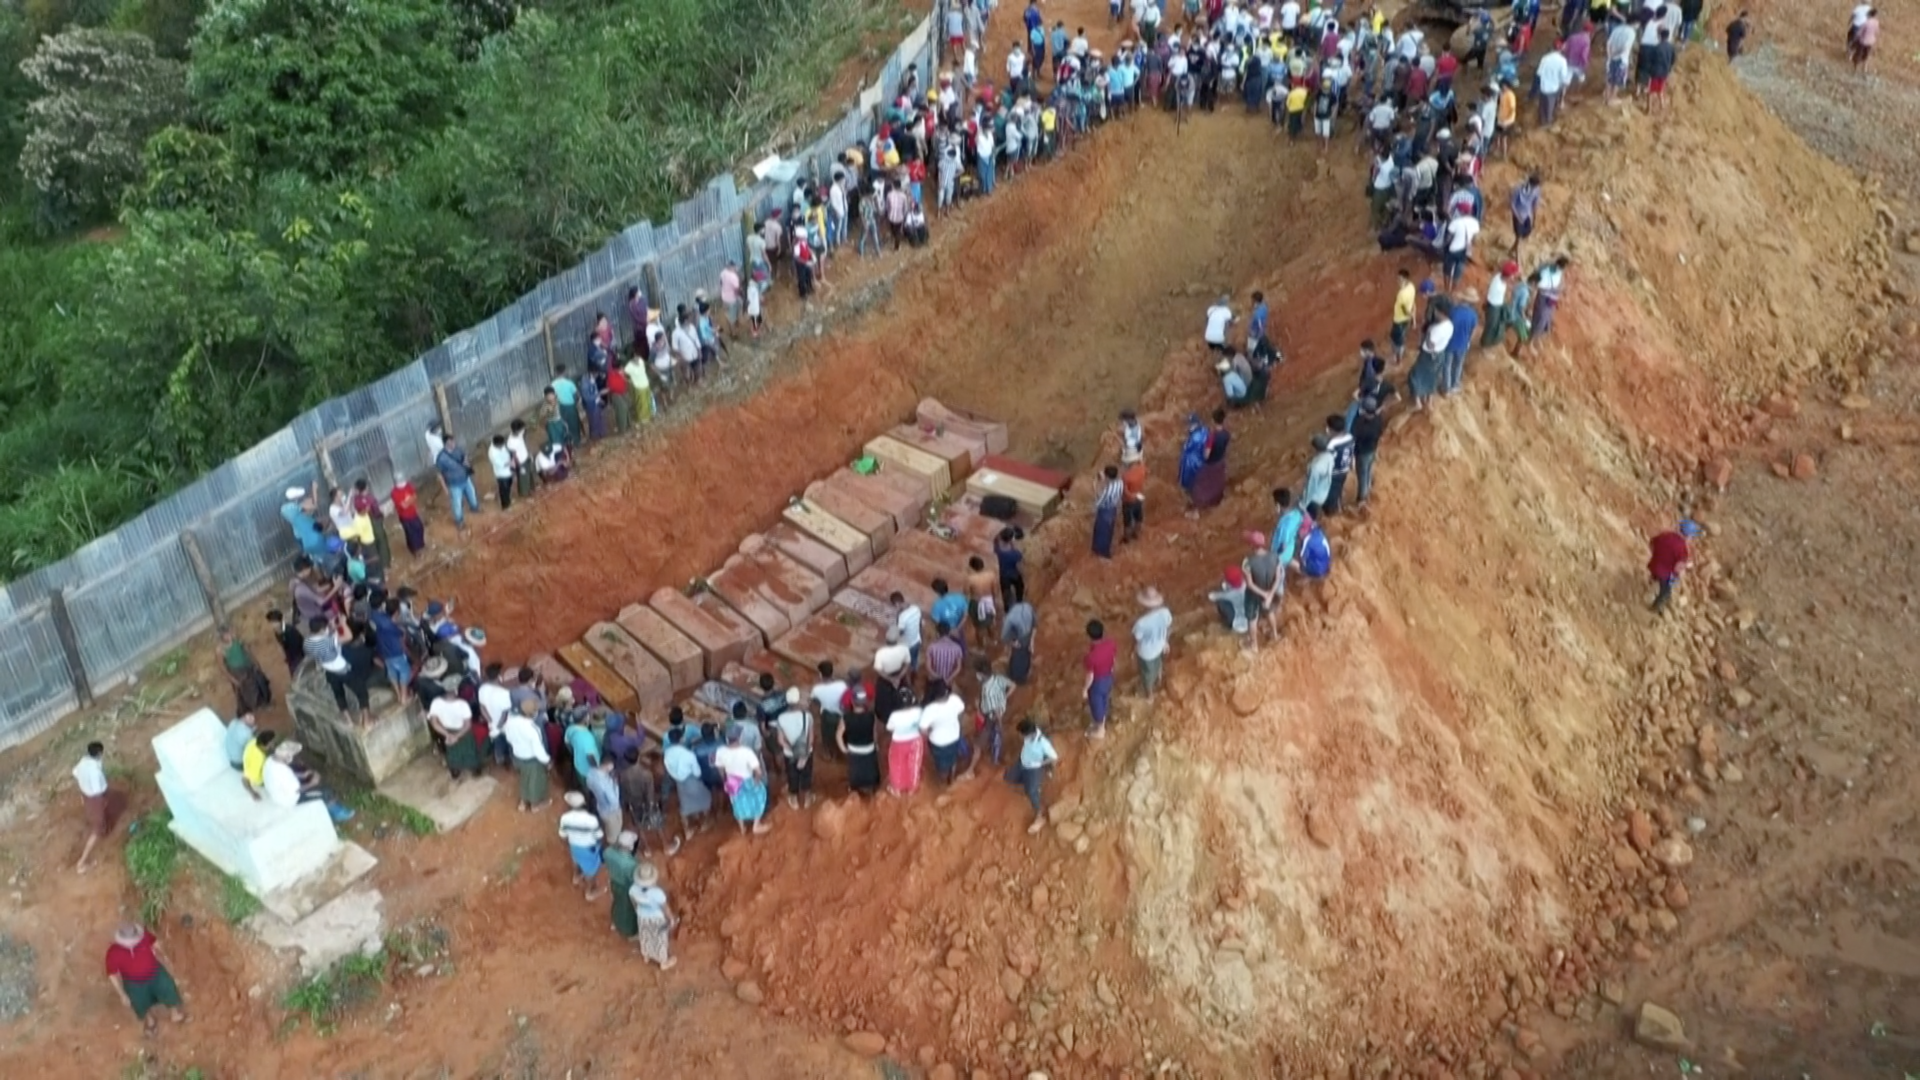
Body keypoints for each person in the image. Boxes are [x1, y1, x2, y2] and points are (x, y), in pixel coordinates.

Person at [105, 922, 187, 1036]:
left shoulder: (144, 937)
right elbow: (112, 974)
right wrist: (122, 994)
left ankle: (175, 1013)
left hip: (155, 972)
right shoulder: (113, 953)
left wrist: (164, 955)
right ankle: (150, 1020)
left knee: (168, 988)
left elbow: (155, 943)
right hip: (134, 982)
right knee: (139, 1003)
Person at [1006, 718, 1059, 834]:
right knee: (1009, 777)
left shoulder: (1042, 743)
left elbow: (1054, 757)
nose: (1020, 737)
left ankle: (1040, 815)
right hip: (1022, 762)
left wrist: (1042, 764)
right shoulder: (1031, 734)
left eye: (1021, 734)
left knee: (1031, 792)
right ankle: (1030, 785)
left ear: (1027, 734)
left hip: (1033, 768)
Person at [715, 725, 771, 835]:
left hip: (732, 781)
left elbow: (720, 769)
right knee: (760, 795)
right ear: (739, 738)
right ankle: (756, 825)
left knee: (736, 803)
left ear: (727, 738)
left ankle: (742, 828)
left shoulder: (720, 751)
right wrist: (756, 781)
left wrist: (725, 779)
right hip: (747, 780)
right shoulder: (746, 752)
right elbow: (758, 771)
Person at [663, 722, 713, 839]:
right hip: (691, 780)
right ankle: (704, 823)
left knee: (685, 806)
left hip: (679, 783)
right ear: (682, 739)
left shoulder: (667, 754)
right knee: (706, 799)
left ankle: (688, 830)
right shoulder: (688, 754)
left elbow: (669, 769)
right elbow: (697, 772)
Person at [504, 697, 552, 811]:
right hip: (532, 758)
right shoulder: (531, 728)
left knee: (524, 778)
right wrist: (547, 761)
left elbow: (509, 739)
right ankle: (535, 805)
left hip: (517, 755)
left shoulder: (510, 722)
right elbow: (538, 749)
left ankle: (523, 802)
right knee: (536, 781)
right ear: (533, 713)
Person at [629, 860, 678, 969]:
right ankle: (663, 962)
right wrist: (671, 919)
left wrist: (638, 911)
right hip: (656, 919)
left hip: (642, 917)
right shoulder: (657, 893)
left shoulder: (633, 889)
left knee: (645, 935)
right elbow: (665, 908)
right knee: (659, 939)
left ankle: (646, 955)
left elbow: (634, 902)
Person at [558, 791, 606, 901]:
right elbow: (599, 835)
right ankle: (590, 891)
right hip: (588, 848)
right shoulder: (591, 819)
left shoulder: (565, 818)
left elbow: (563, 834)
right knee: (591, 871)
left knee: (576, 860)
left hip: (574, 845)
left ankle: (576, 876)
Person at [773, 688, 816, 809]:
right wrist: (804, 753)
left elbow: (780, 740)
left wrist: (792, 750)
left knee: (792, 775)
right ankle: (807, 798)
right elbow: (811, 737)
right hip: (806, 752)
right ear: (798, 701)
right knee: (806, 774)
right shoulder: (807, 716)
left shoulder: (781, 718)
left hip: (789, 754)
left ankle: (794, 799)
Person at [216, 625, 272, 717]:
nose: (229, 635)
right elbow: (222, 668)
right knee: (245, 691)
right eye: (226, 634)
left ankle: (262, 703)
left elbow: (248, 652)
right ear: (221, 637)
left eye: (229, 632)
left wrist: (256, 663)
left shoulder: (237, 641)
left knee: (258, 683)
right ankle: (251, 709)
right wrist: (232, 679)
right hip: (237, 673)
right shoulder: (220, 650)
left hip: (248, 666)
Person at [427, 691, 484, 780]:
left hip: (447, 730)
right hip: (463, 731)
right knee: (469, 750)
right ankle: (475, 769)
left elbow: (434, 723)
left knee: (452, 752)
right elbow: (467, 725)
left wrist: (448, 735)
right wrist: (456, 736)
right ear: (455, 691)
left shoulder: (436, 702)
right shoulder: (463, 704)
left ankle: (455, 771)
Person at [1648, 519, 1701, 613]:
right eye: (1692, 537)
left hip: (1653, 564)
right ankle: (1655, 608)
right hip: (1664, 574)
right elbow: (1678, 568)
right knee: (1666, 592)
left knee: (1658, 575)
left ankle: (1653, 579)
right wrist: (1686, 566)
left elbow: (1652, 543)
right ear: (1688, 536)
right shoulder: (1682, 549)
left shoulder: (1665, 535)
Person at [1243, 531, 1284, 649]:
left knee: (1252, 618)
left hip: (1254, 594)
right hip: (1269, 588)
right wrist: (1270, 594)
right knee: (1269, 611)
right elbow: (1278, 577)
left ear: (1252, 545)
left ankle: (1254, 645)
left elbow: (1250, 584)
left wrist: (1263, 594)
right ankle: (1275, 635)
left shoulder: (1248, 562)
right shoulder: (1274, 557)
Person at [73, 741, 110, 873]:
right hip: (95, 799)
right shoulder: (95, 771)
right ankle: (81, 863)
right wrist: (103, 799)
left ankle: (101, 828)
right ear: (100, 753)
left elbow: (75, 773)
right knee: (96, 831)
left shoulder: (83, 762)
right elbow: (98, 790)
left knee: (97, 819)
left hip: (86, 796)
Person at [839, 684, 882, 796]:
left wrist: (843, 749)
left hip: (854, 750)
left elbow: (838, 735)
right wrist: (876, 745)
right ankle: (872, 787)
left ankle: (854, 789)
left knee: (855, 770)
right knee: (870, 769)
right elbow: (874, 733)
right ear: (865, 702)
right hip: (869, 748)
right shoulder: (871, 716)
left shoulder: (846, 717)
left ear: (852, 701)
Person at [1185, 409, 1231, 515]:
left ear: (1213, 421)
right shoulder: (1226, 435)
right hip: (1220, 462)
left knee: (1202, 484)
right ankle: (1217, 500)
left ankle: (1200, 506)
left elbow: (1206, 455)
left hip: (1210, 464)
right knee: (1217, 483)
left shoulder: (1212, 437)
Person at [433, 435, 481, 534]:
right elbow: (439, 474)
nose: (454, 444)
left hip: (465, 478)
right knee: (457, 503)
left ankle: (474, 508)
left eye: (454, 441)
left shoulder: (457, 450)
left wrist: (467, 464)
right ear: (446, 444)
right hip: (454, 484)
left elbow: (464, 457)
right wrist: (445, 488)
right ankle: (459, 521)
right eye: (451, 442)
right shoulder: (441, 458)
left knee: (472, 494)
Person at [1131, 587, 1172, 702]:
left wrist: (1133, 650)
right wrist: (1165, 642)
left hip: (1146, 652)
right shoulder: (1165, 612)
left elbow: (1137, 638)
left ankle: (1149, 696)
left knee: (1146, 674)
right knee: (1158, 663)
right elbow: (1168, 628)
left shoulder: (1141, 623)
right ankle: (1158, 679)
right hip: (1160, 645)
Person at [1082, 619, 1118, 739]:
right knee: (1104, 698)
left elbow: (1090, 676)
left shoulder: (1091, 657)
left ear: (1089, 636)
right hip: (1108, 677)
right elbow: (1113, 659)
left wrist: (1085, 689)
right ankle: (1100, 722)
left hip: (1097, 682)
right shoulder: (1111, 644)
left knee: (1097, 704)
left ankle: (1100, 730)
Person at [605, 830, 641, 939]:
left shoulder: (608, 852)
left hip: (614, 882)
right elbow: (634, 879)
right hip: (627, 887)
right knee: (628, 909)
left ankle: (616, 922)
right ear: (630, 847)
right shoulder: (631, 864)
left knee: (617, 903)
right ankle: (628, 931)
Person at [1351, 397, 1387, 506]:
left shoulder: (1360, 422)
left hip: (1361, 453)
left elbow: (1353, 439)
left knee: (1362, 475)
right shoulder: (1378, 419)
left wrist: (1352, 457)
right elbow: (1381, 433)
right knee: (1368, 471)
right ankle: (1369, 489)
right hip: (1372, 450)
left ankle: (1362, 499)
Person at [1091, 463, 1123, 558]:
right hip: (1113, 509)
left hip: (1105, 510)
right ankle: (1099, 549)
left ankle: (1103, 553)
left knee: (1102, 531)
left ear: (1107, 477)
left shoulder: (1107, 491)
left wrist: (1095, 486)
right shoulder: (1120, 482)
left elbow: (1099, 502)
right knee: (1108, 530)